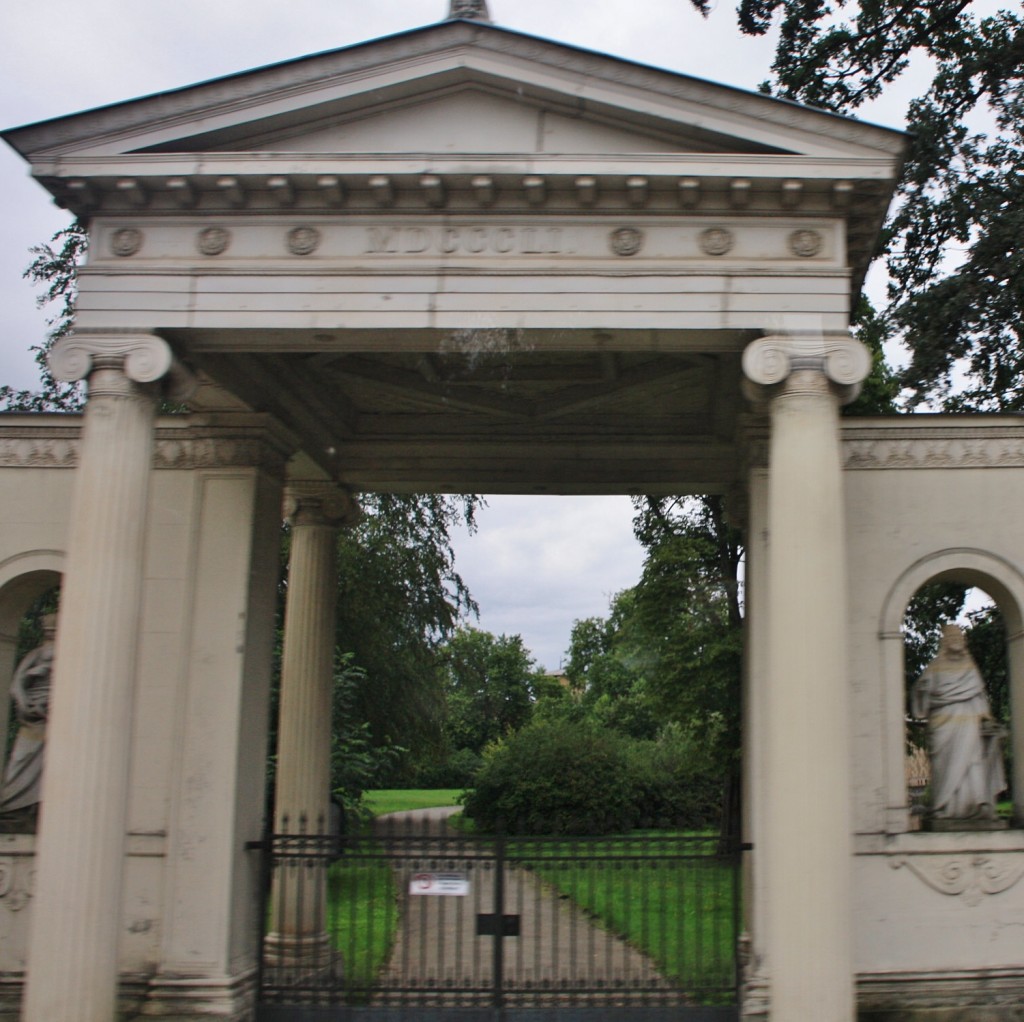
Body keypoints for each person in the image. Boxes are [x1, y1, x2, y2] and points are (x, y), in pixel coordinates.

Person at [912, 623, 1006, 821]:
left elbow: (979, 696)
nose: (956, 641)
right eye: (952, 638)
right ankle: (943, 806)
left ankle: (976, 804)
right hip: (943, 724)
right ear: (945, 642)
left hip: (969, 723)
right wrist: (923, 690)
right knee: (945, 766)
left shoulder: (969, 666)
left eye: (959, 637)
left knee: (972, 762)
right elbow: (921, 696)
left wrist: (986, 719)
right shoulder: (935, 667)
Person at [0, 614, 56, 828]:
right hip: (32, 716)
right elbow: (17, 684)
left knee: (51, 761)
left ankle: (36, 808)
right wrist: (24, 703)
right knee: (22, 756)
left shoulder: (72, 653)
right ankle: (13, 805)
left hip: (56, 715)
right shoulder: (37, 654)